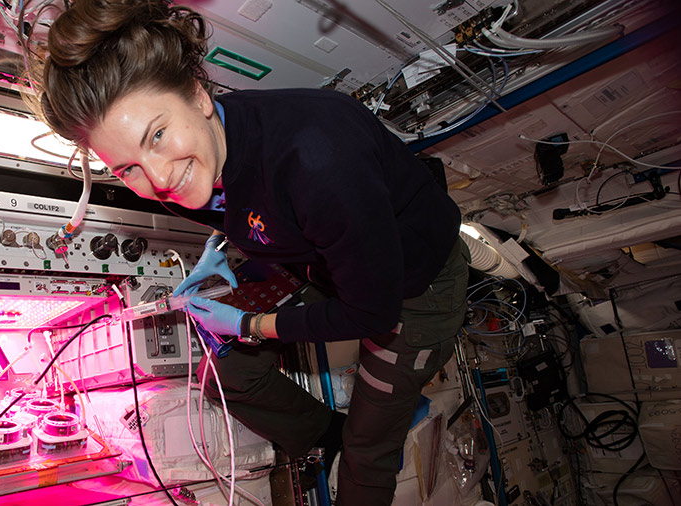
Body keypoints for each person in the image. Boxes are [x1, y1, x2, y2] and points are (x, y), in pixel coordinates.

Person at [29, 1, 470, 503]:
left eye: (156, 135)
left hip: (414, 290)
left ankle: (360, 440)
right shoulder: (188, 163)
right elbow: (248, 206)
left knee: (368, 455)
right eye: (126, 167)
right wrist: (227, 250)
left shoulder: (316, 156)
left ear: (197, 97)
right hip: (321, 261)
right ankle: (330, 436)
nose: (157, 178)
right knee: (228, 374)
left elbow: (371, 311)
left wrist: (250, 326)